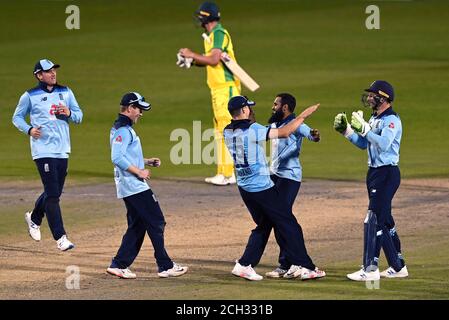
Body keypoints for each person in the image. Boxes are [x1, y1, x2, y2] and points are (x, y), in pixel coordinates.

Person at [223, 95, 326, 281]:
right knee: (289, 224)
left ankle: (244, 264)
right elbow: (285, 132)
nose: (251, 110)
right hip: (262, 187)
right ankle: (306, 266)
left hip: (245, 188)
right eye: (249, 108)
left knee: (264, 225)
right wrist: (303, 116)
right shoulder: (253, 129)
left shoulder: (227, 131)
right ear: (244, 110)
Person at [107, 92, 188, 279]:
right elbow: (116, 157)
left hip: (130, 184)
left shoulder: (122, 128)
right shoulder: (122, 130)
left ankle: (119, 264)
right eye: (139, 109)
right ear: (129, 108)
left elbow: (126, 155)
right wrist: (139, 172)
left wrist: (146, 162)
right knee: (156, 220)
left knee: (138, 224)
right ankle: (165, 265)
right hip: (133, 185)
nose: (141, 113)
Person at [333, 80, 408, 281]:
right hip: (374, 173)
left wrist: (365, 129)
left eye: (372, 95)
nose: (368, 98)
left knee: (373, 219)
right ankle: (398, 266)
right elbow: (364, 144)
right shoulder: (375, 117)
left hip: (386, 173)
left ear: (383, 98)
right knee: (384, 220)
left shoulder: (391, 120)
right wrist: (347, 131)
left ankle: (370, 269)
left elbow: (384, 144)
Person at [12, 59, 83, 251]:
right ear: (38, 75)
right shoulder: (30, 96)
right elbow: (16, 117)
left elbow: (79, 116)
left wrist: (69, 113)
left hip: (62, 149)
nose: (53, 74)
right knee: (53, 195)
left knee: (54, 191)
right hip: (42, 150)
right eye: (48, 71)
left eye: (54, 70)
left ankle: (34, 218)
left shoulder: (66, 92)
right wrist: (29, 130)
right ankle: (60, 238)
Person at [178, 1, 240, 186]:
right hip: (218, 88)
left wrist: (190, 53)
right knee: (220, 130)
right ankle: (224, 172)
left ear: (206, 17)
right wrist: (193, 61)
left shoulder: (219, 33)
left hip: (225, 88)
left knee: (225, 129)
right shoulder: (212, 35)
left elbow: (213, 59)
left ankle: (228, 174)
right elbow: (212, 61)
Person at [264, 93, 321, 278]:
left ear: (285, 107)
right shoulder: (274, 125)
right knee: (277, 220)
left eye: (276, 104)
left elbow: (312, 135)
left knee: (282, 219)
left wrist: (314, 135)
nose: (273, 107)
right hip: (273, 176)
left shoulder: (298, 125)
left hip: (290, 177)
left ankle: (295, 262)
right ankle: (286, 263)